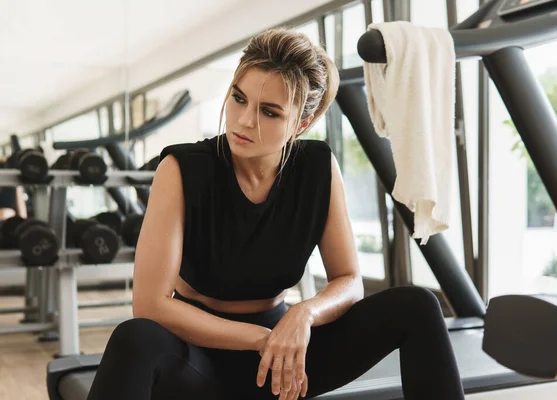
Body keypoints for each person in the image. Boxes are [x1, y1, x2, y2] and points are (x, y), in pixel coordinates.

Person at [86, 27, 465, 400]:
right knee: (135, 338)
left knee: (418, 307)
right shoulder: (181, 168)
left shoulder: (318, 167)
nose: (245, 120)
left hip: (286, 365)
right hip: (199, 359)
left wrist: (303, 314)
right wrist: (262, 340)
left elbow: (349, 279)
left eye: (269, 112)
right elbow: (150, 304)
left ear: (301, 123)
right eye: (238, 98)